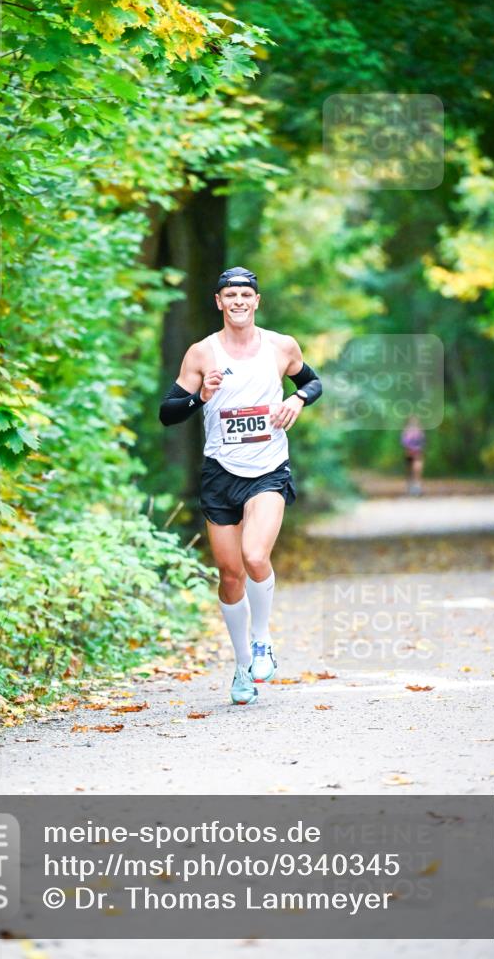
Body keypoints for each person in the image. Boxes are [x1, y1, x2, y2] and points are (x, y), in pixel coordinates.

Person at [159, 266, 322, 705]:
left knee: (255, 556)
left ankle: (262, 639)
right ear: (219, 302)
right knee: (230, 575)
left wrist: (297, 398)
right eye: (230, 295)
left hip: (268, 468)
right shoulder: (202, 353)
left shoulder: (281, 346)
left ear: (256, 301)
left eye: (245, 295)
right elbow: (168, 412)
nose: (238, 302)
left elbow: (313, 382)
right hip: (220, 473)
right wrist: (199, 397)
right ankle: (242, 666)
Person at [401, 416, 426, 496]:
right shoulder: (406, 431)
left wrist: (418, 449)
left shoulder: (420, 431)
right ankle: (411, 487)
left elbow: (422, 442)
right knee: (410, 471)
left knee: (417, 470)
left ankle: (417, 488)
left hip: (417, 454)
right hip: (409, 453)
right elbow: (404, 442)